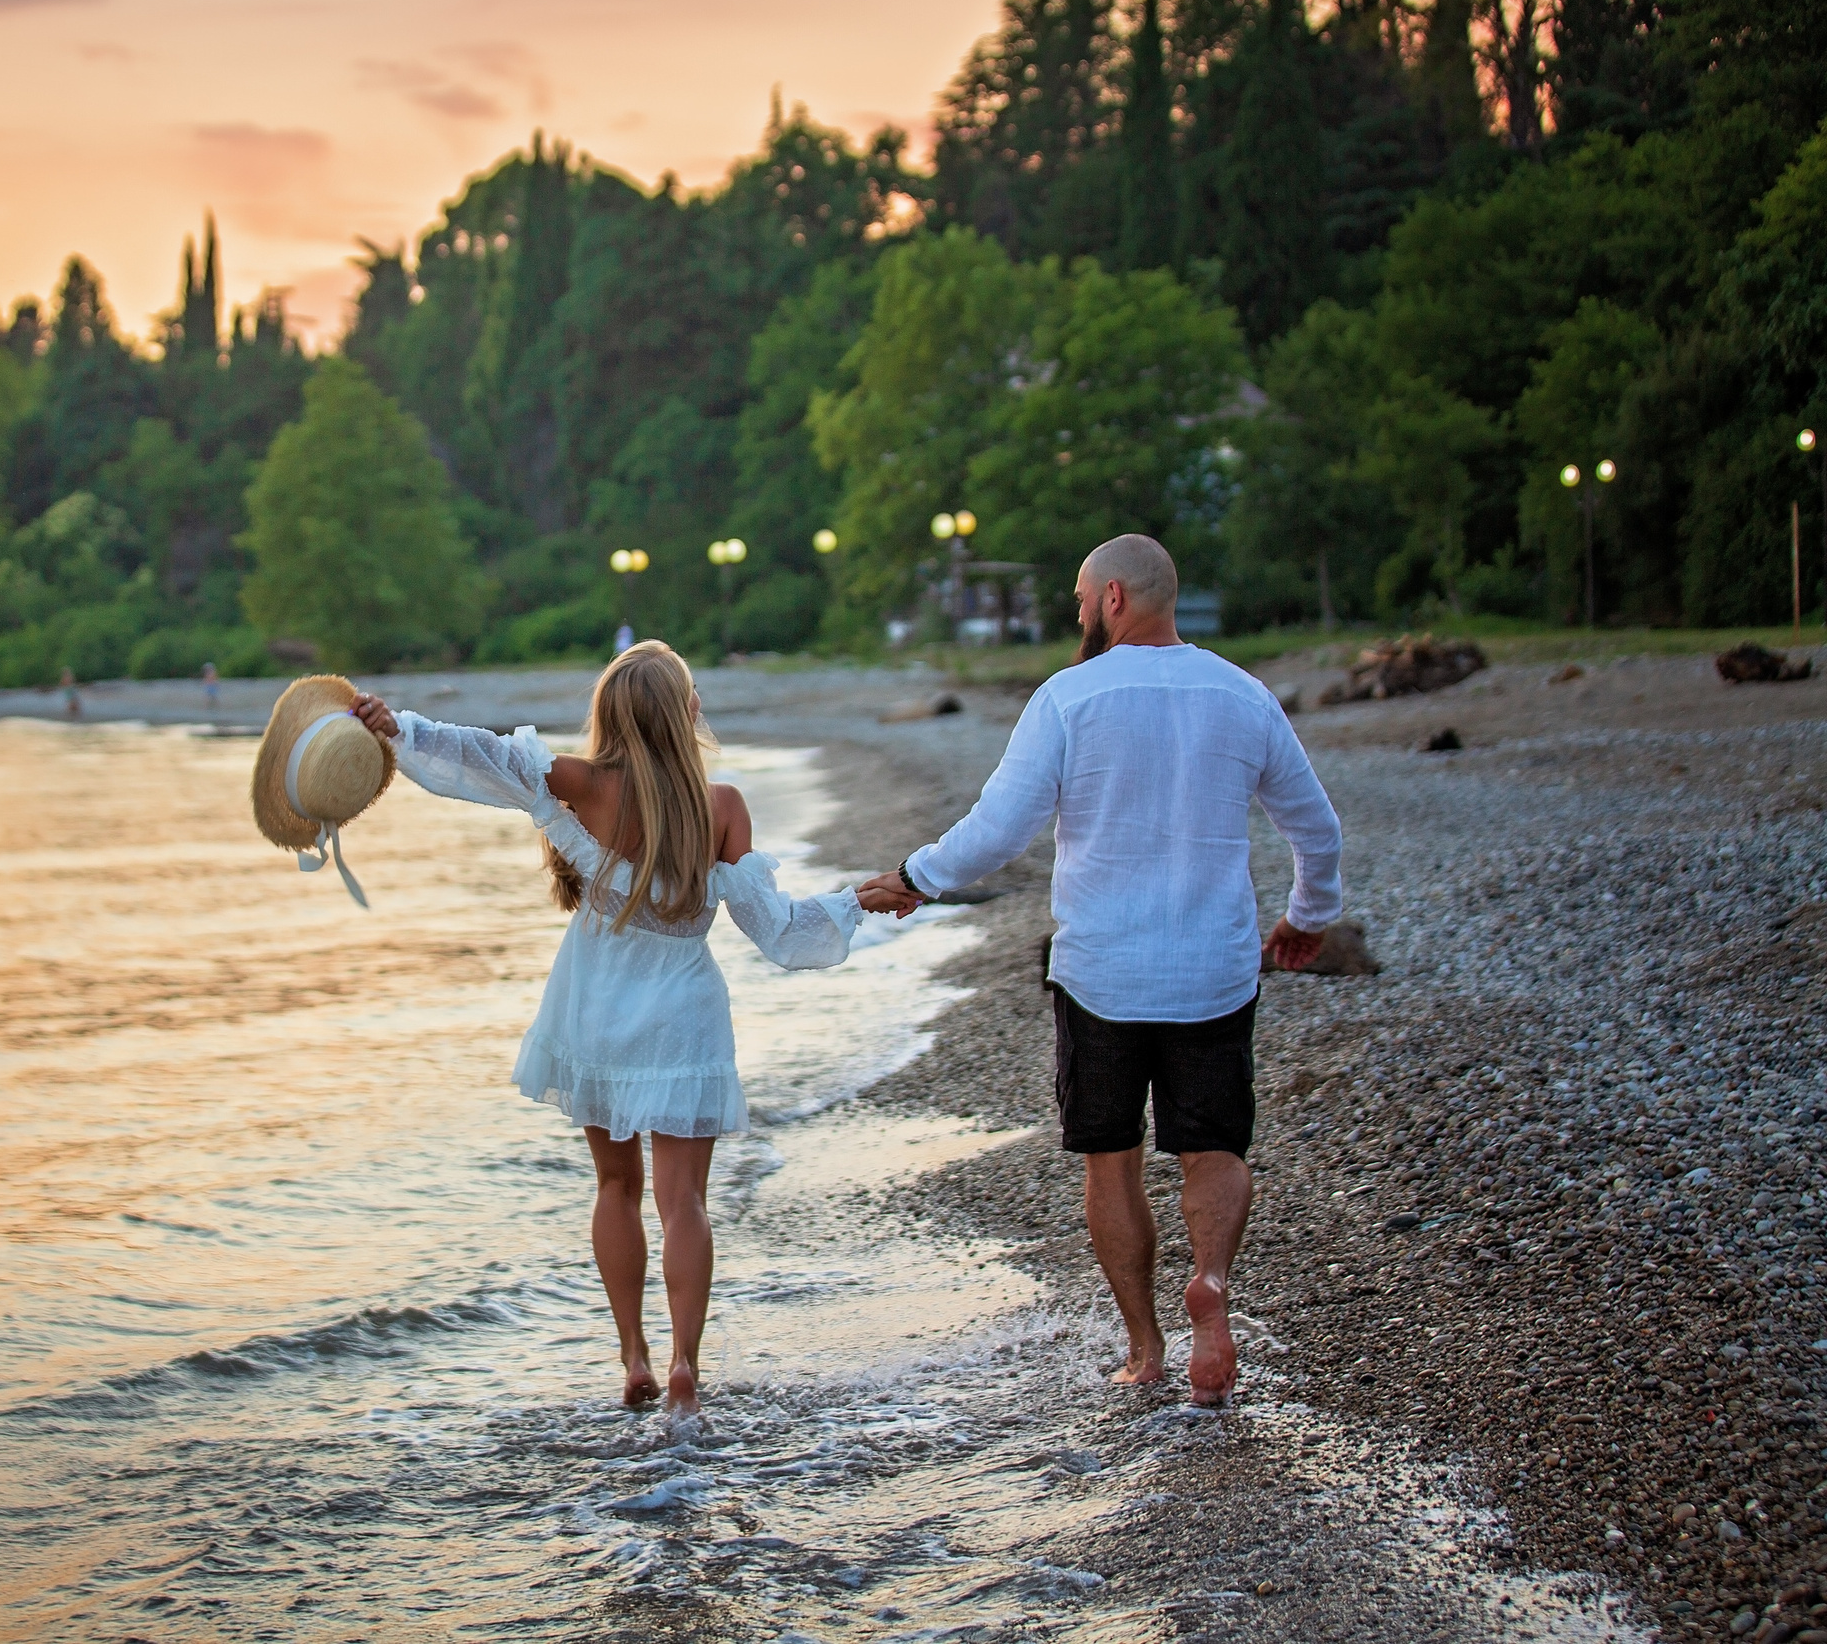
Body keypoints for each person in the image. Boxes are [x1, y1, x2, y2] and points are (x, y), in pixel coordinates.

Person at [350, 642, 919, 1415]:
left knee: (615, 1186)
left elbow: (476, 755)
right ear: (687, 713)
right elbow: (780, 931)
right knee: (683, 1201)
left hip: (594, 1003)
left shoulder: (581, 784)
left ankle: (633, 1354)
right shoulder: (722, 806)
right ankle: (686, 1363)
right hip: (682, 1013)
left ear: (609, 716)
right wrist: (857, 899)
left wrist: (396, 729)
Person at [861, 534, 1342, 1407]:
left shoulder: (1067, 698)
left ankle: (1145, 1346)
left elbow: (999, 828)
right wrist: (1306, 917)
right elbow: (1317, 831)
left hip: (1101, 976)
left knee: (1110, 1160)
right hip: (1214, 971)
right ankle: (1213, 1288)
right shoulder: (1243, 694)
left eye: (1083, 598)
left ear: (1114, 596)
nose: (1078, 614)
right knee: (1214, 1146)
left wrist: (915, 878)